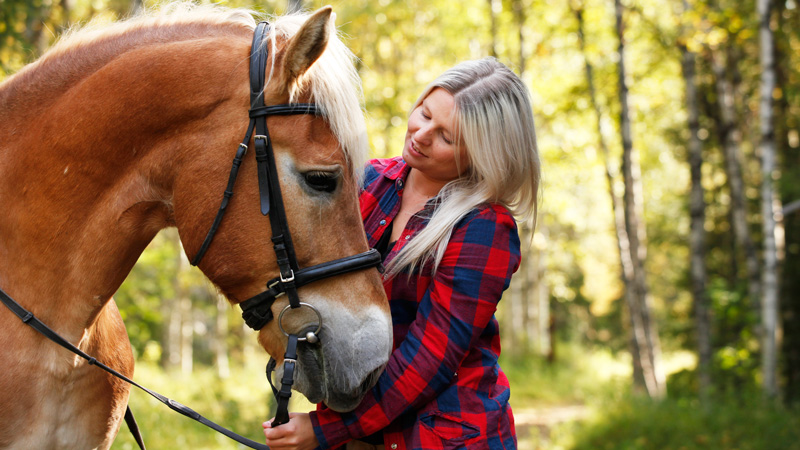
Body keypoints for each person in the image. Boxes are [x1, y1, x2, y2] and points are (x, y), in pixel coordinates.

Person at [263, 57, 540, 450]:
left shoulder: (485, 227)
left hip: (444, 436)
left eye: (446, 136)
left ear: (482, 154)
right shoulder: (369, 180)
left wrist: (324, 430)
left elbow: (430, 358)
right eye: (424, 113)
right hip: (361, 429)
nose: (421, 134)